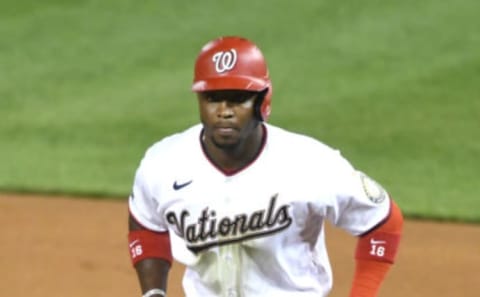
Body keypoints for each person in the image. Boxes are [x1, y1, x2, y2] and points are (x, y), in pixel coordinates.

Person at [127, 36, 403, 297]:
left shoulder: (312, 164)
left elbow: (382, 221)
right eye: (212, 98)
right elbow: (145, 223)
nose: (224, 110)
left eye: (238, 98)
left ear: (263, 101)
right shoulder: (163, 162)